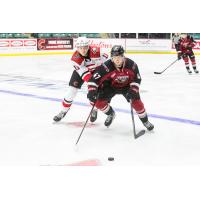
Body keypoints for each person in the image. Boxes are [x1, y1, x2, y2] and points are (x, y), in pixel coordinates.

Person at [87, 45, 154, 131]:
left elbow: (137, 79)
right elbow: (93, 79)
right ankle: (111, 114)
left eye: (119, 57)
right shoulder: (106, 66)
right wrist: (92, 91)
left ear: (123, 56)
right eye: (115, 57)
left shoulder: (132, 65)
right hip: (110, 86)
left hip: (127, 87)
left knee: (137, 103)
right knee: (98, 103)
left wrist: (133, 90)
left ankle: (145, 121)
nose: (117, 59)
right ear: (112, 57)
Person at [53, 37, 108, 122]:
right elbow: (85, 74)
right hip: (81, 73)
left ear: (88, 46)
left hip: (95, 71)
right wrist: (93, 84)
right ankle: (63, 111)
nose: (83, 50)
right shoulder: (75, 59)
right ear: (77, 48)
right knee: (71, 92)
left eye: (85, 47)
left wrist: (102, 64)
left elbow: (107, 58)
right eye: (80, 48)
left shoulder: (97, 50)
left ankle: (94, 109)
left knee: (94, 94)